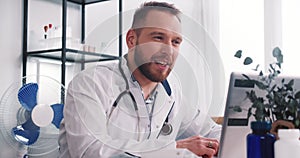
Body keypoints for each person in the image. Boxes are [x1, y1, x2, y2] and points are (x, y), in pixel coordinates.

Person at [59, 1, 221, 158]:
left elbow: (211, 130)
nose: (169, 51)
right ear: (132, 40)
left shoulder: (171, 93)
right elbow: (90, 151)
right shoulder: (90, 84)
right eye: (158, 37)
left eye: (175, 42)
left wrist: (227, 140)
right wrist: (174, 148)